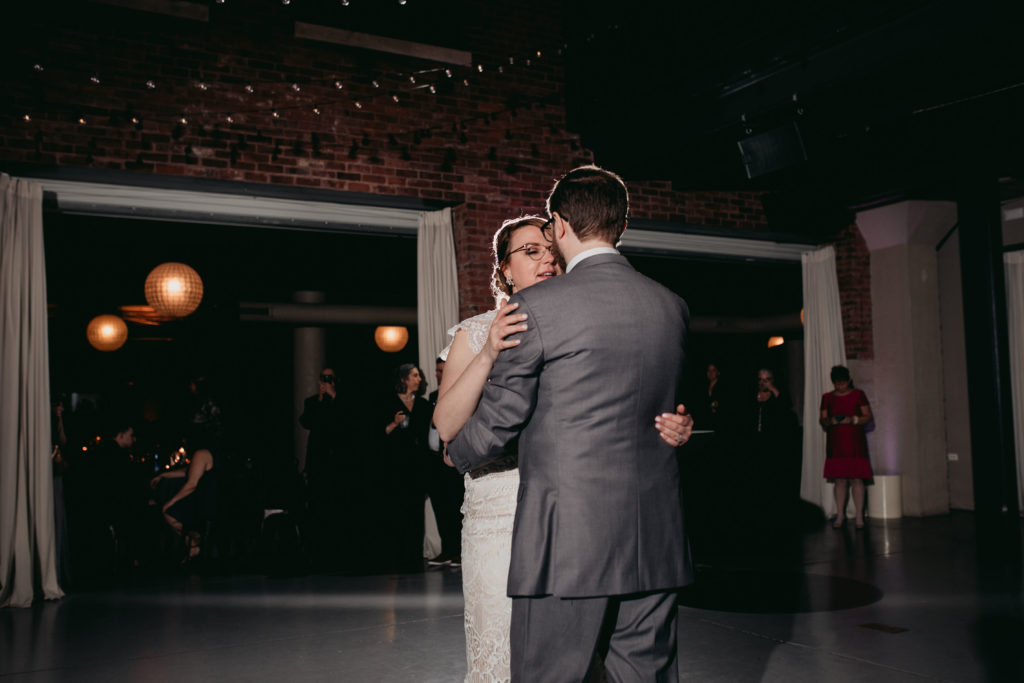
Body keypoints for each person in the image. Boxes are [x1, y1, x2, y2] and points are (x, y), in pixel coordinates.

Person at [445, 165, 694, 682]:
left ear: (559, 225)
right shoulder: (671, 306)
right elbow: (653, 404)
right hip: (655, 534)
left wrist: (454, 452)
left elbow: (498, 422)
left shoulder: (537, 308)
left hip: (569, 540)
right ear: (620, 224)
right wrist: (680, 426)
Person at [378, 363, 432, 572]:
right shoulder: (388, 403)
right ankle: (397, 557)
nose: (419, 379)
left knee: (416, 513)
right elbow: (377, 435)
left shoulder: (424, 405)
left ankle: (414, 557)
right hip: (395, 468)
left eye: (419, 376)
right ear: (403, 379)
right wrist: (393, 423)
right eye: (415, 376)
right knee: (397, 512)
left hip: (417, 468)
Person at [298, 367, 347, 568]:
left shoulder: (341, 401)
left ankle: (337, 553)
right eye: (324, 378)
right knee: (317, 506)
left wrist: (333, 395)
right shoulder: (312, 402)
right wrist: (320, 398)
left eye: (330, 378)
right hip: (318, 463)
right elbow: (307, 422)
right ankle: (318, 553)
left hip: (337, 463)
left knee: (337, 507)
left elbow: (343, 423)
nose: (327, 381)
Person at [819, 365, 874, 529]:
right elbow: (822, 420)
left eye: (843, 383)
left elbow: (868, 417)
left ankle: (859, 517)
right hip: (836, 443)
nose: (840, 387)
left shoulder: (858, 395)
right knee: (840, 480)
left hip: (855, 442)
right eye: (837, 384)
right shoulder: (827, 397)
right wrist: (831, 421)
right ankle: (840, 515)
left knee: (857, 479)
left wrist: (853, 420)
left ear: (849, 381)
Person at [151, 441, 217, 563]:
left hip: (208, 503)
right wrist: (163, 475)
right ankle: (194, 545)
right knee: (171, 508)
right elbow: (189, 471)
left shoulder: (201, 453)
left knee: (168, 511)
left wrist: (171, 502)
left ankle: (196, 540)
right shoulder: (211, 453)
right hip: (215, 500)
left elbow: (191, 484)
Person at [426, 357, 464, 567]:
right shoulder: (432, 396)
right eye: (437, 371)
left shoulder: (457, 392)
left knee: (455, 505)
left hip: (451, 459)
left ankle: (459, 551)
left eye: (442, 371)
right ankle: (446, 550)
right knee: (440, 508)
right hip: (433, 462)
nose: (438, 375)